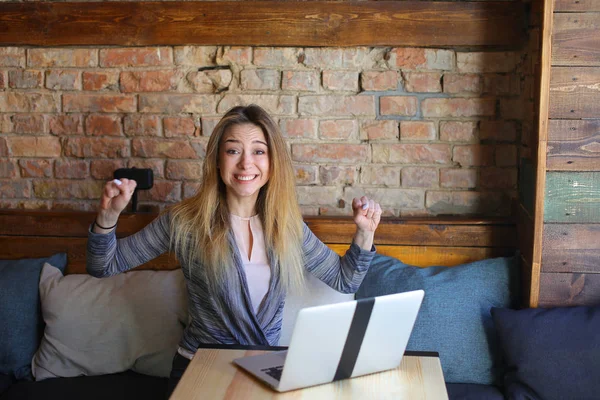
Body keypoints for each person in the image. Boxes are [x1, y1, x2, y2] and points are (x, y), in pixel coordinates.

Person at [86, 104, 382, 397]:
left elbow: (346, 281)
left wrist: (365, 232)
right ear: (217, 160)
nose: (245, 164)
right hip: (198, 371)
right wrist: (108, 218)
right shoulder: (185, 222)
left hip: (263, 375)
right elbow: (104, 266)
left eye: (258, 151)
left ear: (272, 162)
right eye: (232, 151)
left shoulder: (288, 227)